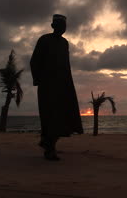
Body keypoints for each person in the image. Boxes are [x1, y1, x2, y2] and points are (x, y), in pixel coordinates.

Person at [30, 14, 83, 161]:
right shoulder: (44, 40)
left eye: (64, 26)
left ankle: (47, 143)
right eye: (59, 25)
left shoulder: (65, 43)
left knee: (63, 116)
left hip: (63, 85)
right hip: (47, 85)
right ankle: (49, 148)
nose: (62, 28)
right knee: (50, 116)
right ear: (53, 26)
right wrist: (37, 79)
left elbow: (66, 66)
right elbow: (35, 60)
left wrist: (68, 84)